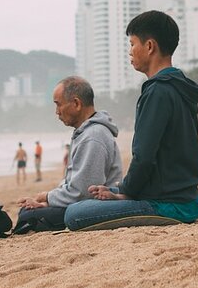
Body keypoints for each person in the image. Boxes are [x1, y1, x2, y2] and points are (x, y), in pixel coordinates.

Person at [64, 11, 198, 231]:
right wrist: (121, 189)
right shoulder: (179, 86)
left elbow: (144, 157)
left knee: (74, 214)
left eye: (132, 44)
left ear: (149, 46)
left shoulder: (157, 92)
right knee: (102, 193)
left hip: (170, 204)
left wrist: (125, 193)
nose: (130, 52)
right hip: (188, 198)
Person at [14, 76, 123, 233]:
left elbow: (83, 192)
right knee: (27, 211)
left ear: (77, 104)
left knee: (27, 215)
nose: (57, 112)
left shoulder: (93, 136)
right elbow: (73, 184)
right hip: (81, 202)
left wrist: (47, 197)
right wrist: (47, 202)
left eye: (58, 105)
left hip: (93, 205)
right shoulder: (85, 133)